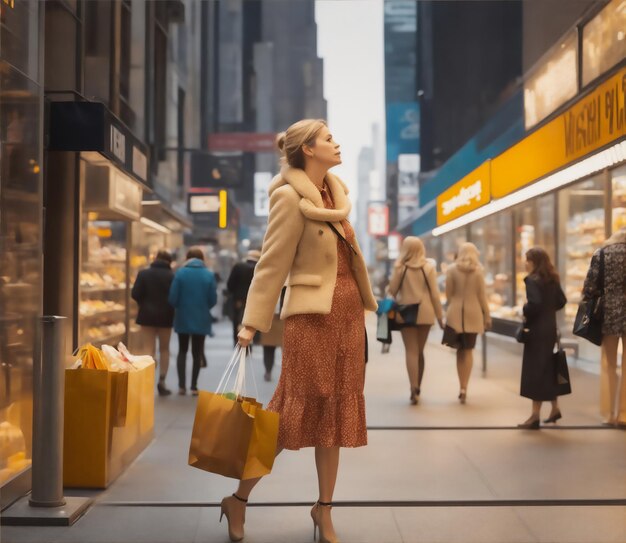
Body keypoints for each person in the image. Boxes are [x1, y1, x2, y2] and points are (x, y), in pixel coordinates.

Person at [218, 119, 377, 543]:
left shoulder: (336, 198)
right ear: (307, 149)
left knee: (335, 416)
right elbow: (271, 264)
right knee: (290, 418)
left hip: (346, 320)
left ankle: (324, 510)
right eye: (328, 138)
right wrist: (251, 322)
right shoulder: (290, 199)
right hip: (310, 321)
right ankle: (239, 499)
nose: (336, 142)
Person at [388, 237, 443, 404]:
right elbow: (435, 294)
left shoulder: (400, 268)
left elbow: (392, 291)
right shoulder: (429, 267)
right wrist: (440, 317)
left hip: (406, 312)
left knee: (410, 351)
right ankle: (418, 385)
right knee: (420, 351)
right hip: (425, 312)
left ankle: (413, 388)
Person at [518, 247, 566, 429]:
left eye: (527, 259)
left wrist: (524, 310)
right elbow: (562, 301)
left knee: (535, 372)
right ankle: (555, 409)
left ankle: (534, 416)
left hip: (537, 331)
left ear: (534, 262)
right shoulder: (553, 279)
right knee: (549, 368)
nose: (525, 263)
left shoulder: (532, 280)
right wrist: (548, 309)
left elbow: (534, 304)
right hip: (550, 329)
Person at [582, 227, 626, 426]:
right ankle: (624, 414)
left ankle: (610, 414)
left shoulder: (601, 254)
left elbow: (589, 287)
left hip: (608, 314)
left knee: (609, 365)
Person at [444, 242, 491, 404]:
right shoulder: (479, 271)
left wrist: (452, 304)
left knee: (459, 351)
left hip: (455, 313)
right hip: (474, 313)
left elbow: (449, 294)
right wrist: (487, 315)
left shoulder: (451, 269)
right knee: (469, 350)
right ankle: (466, 387)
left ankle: (460, 386)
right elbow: (482, 296)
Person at [168, 247, 217, 396]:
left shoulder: (180, 273)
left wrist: (181, 307)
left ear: (187, 258)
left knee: (182, 350)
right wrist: (202, 307)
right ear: (202, 258)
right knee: (197, 352)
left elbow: (172, 298)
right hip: (201, 317)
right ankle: (194, 386)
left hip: (183, 316)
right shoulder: (208, 274)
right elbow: (213, 300)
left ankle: (181, 386)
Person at [131, 250, 175, 396]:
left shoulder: (144, 274)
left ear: (155, 259)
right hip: (166, 317)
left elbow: (135, 294)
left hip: (147, 317)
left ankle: (147, 380)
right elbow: (175, 297)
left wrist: (144, 303)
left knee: (148, 349)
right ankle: (162, 381)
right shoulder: (172, 276)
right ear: (169, 261)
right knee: (164, 349)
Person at [226, 250, 261, 345]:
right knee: (251, 321)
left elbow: (230, 285)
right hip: (255, 301)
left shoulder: (238, 267)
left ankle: (237, 341)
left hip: (238, 300)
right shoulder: (260, 269)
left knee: (237, 320)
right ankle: (251, 340)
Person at [260, 287, 286, 382]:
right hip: (269, 316)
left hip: (285, 317)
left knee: (287, 347)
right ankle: (268, 370)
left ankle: (286, 373)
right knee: (268, 346)